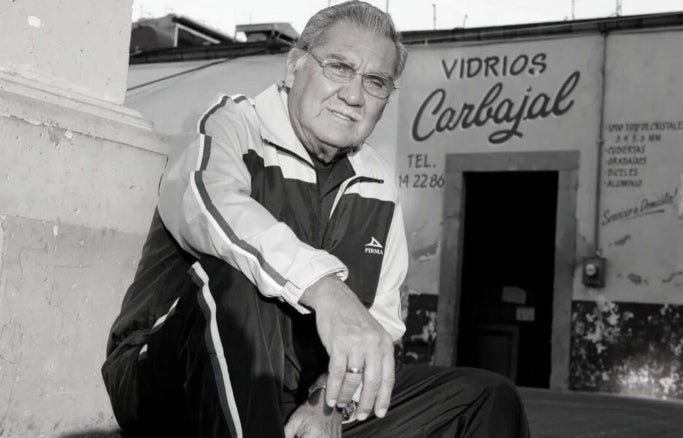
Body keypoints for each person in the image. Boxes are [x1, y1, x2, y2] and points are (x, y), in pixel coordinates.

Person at [102, 1, 530, 437]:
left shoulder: (379, 180)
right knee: (240, 281)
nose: (354, 96)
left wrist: (329, 399)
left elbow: (379, 322)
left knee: (486, 397)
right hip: (170, 373)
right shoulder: (231, 125)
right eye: (339, 67)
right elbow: (209, 208)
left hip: (303, 391)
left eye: (376, 82)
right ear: (293, 67)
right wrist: (327, 290)